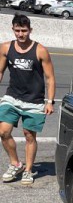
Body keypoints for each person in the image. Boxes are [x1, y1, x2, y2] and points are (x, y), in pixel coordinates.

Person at [0, 14, 56, 185]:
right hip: (12, 97)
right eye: (17, 30)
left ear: (30, 30)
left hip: (34, 100)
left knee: (29, 136)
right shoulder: (5, 48)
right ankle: (15, 163)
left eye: (24, 30)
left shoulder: (40, 50)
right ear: (13, 29)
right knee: (3, 131)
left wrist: (50, 101)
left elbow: (50, 78)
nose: (20, 34)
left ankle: (28, 170)